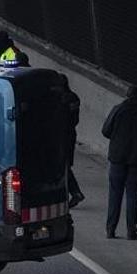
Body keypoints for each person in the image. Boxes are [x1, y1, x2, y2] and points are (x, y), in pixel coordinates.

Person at [101, 86, 137, 240]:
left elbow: (105, 130)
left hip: (118, 158)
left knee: (115, 194)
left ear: (127, 96)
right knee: (133, 195)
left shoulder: (118, 109)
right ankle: (131, 231)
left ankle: (110, 230)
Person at [58, 74, 85, 209]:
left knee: (62, 165)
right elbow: (75, 119)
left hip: (61, 135)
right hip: (70, 134)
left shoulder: (59, 99)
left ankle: (75, 192)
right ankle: (74, 192)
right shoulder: (74, 97)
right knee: (66, 164)